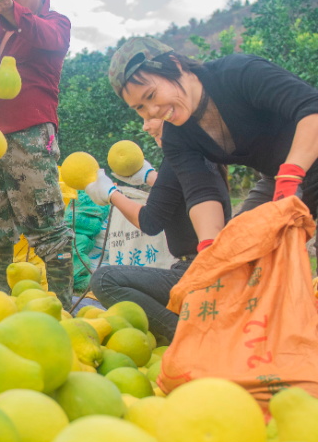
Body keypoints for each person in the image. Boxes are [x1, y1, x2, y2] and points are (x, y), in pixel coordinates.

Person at [107, 36, 318, 253]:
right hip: (278, 180)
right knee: (237, 250)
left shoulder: (237, 73)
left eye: (151, 95)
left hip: (296, 168)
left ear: (175, 64)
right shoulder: (175, 137)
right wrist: (209, 247)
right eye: (140, 107)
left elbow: (312, 107)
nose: (152, 111)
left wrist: (291, 174)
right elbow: (201, 192)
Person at [0, 0, 74, 309]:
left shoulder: (54, 23)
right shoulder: (2, 27)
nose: (6, 0)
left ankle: (62, 304)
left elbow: (49, 37)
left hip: (31, 135)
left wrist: (11, 9)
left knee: (46, 225)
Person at [85, 119, 231, 340]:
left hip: (198, 271)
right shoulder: (201, 156)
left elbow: (150, 222)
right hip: (207, 269)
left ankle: (187, 336)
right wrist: (152, 177)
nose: (145, 126)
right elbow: (182, 192)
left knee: (104, 279)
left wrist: (111, 194)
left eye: (150, 115)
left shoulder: (178, 159)